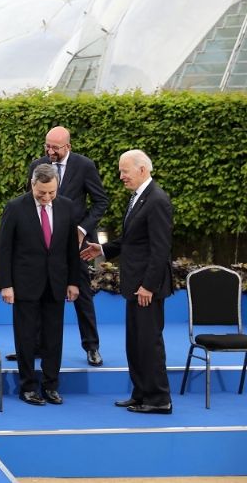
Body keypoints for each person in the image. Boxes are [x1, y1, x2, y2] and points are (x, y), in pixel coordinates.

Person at [82, 150, 173, 414]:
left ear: (142, 170)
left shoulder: (156, 200)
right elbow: (132, 241)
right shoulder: (139, 198)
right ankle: (141, 393)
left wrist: (148, 286)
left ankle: (159, 399)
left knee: (148, 343)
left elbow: (160, 249)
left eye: (125, 171)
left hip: (146, 288)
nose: (121, 176)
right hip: (136, 286)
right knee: (135, 343)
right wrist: (103, 250)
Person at [12, 126, 109, 367]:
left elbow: (101, 201)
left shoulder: (84, 165)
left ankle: (92, 347)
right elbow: (30, 202)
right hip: (43, 243)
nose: (50, 151)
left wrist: (82, 230)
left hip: (75, 242)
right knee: (39, 290)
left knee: (82, 292)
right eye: (47, 145)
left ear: (68, 146)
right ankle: (33, 347)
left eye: (55, 147)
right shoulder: (37, 165)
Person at [0, 165, 80, 406]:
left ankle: (51, 386)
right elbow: (4, 249)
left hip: (56, 283)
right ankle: (28, 387)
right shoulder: (15, 208)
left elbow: (70, 250)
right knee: (25, 337)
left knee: (54, 337)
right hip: (24, 284)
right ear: (33, 184)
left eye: (51, 193)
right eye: (42, 192)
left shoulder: (66, 206)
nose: (46, 198)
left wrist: (73, 281)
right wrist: (6, 285)